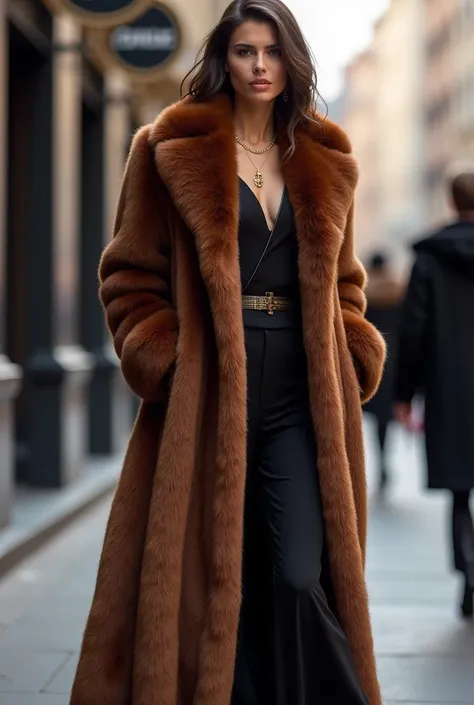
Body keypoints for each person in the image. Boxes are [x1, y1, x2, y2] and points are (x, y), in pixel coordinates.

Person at [69, 1, 385, 703]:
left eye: (273, 52)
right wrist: (168, 360)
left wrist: (355, 348)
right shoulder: (164, 148)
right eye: (246, 51)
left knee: (301, 572)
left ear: (293, 61)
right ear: (224, 59)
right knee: (212, 577)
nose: (261, 66)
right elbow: (128, 275)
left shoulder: (326, 157)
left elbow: (345, 283)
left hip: (302, 393)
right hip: (209, 383)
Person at [395, 166, 474, 619]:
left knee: (461, 491)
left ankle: (468, 573)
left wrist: (405, 394)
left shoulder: (429, 260)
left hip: (451, 389)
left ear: (451, 201)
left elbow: (414, 330)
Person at [364, 252, 405, 492]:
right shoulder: (399, 293)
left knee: (364, 418)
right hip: (394, 363)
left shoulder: (365, 295)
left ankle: (374, 464)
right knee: (384, 421)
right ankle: (383, 462)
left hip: (371, 362)